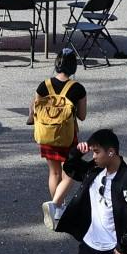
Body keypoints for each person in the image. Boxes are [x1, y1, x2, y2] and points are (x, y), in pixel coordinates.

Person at [30, 48, 88, 228]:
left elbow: (33, 111)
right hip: (67, 136)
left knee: (54, 172)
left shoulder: (43, 85)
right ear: (73, 67)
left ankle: (58, 209)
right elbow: (82, 116)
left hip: (46, 135)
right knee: (72, 171)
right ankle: (55, 205)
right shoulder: (77, 88)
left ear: (57, 64)